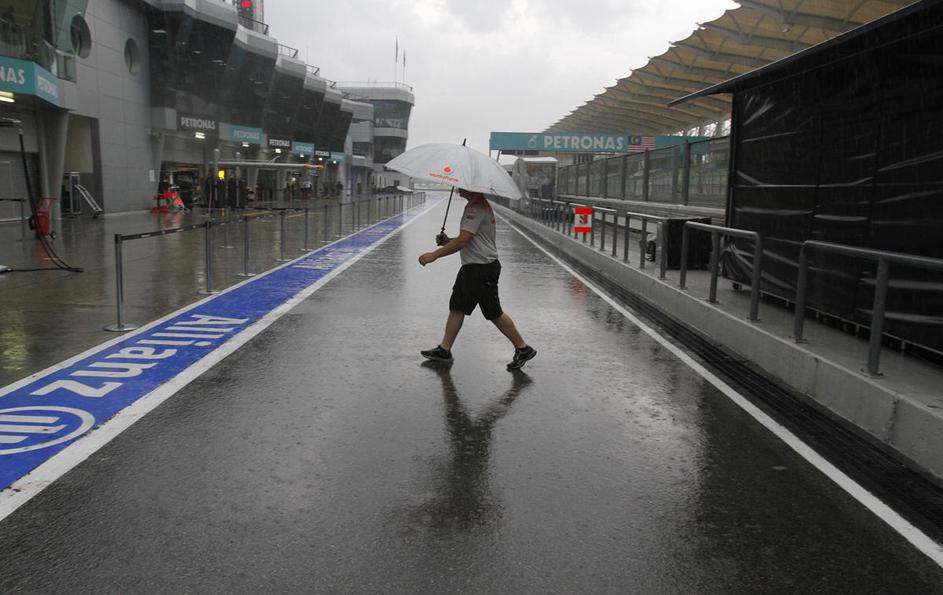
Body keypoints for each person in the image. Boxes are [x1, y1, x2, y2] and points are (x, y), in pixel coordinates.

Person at [418, 188, 537, 370]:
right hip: (472, 267)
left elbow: (464, 241)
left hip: (482, 268)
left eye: (462, 186)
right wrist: (448, 240)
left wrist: (434, 254)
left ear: (472, 187)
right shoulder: (474, 206)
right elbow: (469, 238)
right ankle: (444, 350)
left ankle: (523, 348)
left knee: (493, 313)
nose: (458, 189)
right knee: (457, 306)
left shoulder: (477, 208)